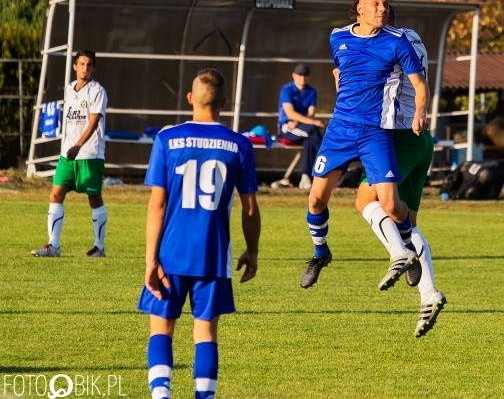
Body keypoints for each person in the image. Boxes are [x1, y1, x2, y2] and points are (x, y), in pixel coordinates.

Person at [137, 68, 261, 398]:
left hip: (170, 254)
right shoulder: (239, 145)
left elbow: (157, 205)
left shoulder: (167, 139)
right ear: (224, 101)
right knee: (205, 331)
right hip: (214, 256)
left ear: (190, 98)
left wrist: (151, 259)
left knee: (161, 328)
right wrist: (253, 251)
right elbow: (250, 208)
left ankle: (161, 395)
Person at [299, 0, 428, 291]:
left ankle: (408, 250)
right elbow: (342, 70)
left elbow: (420, 85)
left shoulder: (398, 42)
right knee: (316, 199)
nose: (382, 8)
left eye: (386, 3)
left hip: (375, 133)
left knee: (393, 206)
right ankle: (321, 253)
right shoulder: (338, 37)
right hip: (340, 130)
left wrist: (419, 112)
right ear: (359, 9)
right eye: (375, 4)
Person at [353, 5, 446, 338]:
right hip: (420, 139)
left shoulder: (388, 43)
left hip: (399, 138)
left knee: (366, 201)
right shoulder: (413, 37)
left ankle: (399, 254)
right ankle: (429, 293)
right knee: (406, 222)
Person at [32, 50, 109, 258]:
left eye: (89, 65)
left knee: (94, 198)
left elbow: (93, 122)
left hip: (90, 154)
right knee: (56, 194)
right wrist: (69, 147)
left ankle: (99, 247)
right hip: (67, 155)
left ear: (93, 68)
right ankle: (53, 245)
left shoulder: (97, 91)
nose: (85, 68)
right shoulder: (69, 89)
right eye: (82, 64)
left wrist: (78, 145)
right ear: (75, 66)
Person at [271, 63, 325, 190]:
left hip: (302, 127)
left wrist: (300, 121)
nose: (303, 78)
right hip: (287, 128)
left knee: (309, 141)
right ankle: (327, 157)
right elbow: (290, 113)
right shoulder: (287, 89)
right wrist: (311, 122)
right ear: (294, 75)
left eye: (305, 75)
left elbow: (311, 113)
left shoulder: (312, 91)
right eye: (300, 75)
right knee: (313, 129)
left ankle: (306, 177)